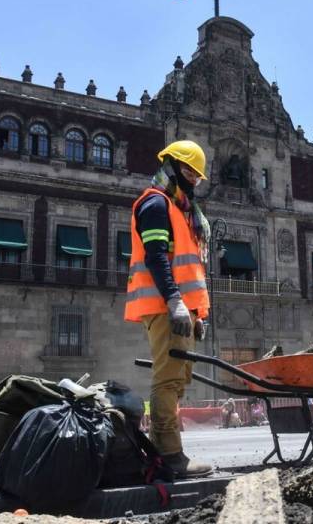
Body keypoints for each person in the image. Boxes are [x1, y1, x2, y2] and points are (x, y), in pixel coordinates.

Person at [124, 140, 213, 478]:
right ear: (173, 166)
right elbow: (156, 256)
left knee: (177, 380)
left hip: (179, 309)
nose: (194, 179)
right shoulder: (155, 204)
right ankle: (171, 457)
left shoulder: (181, 210)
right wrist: (176, 302)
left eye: (198, 176)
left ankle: (161, 450)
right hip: (164, 307)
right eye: (189, 171)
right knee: (168, 379)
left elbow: (187, 267)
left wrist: (197, 314)